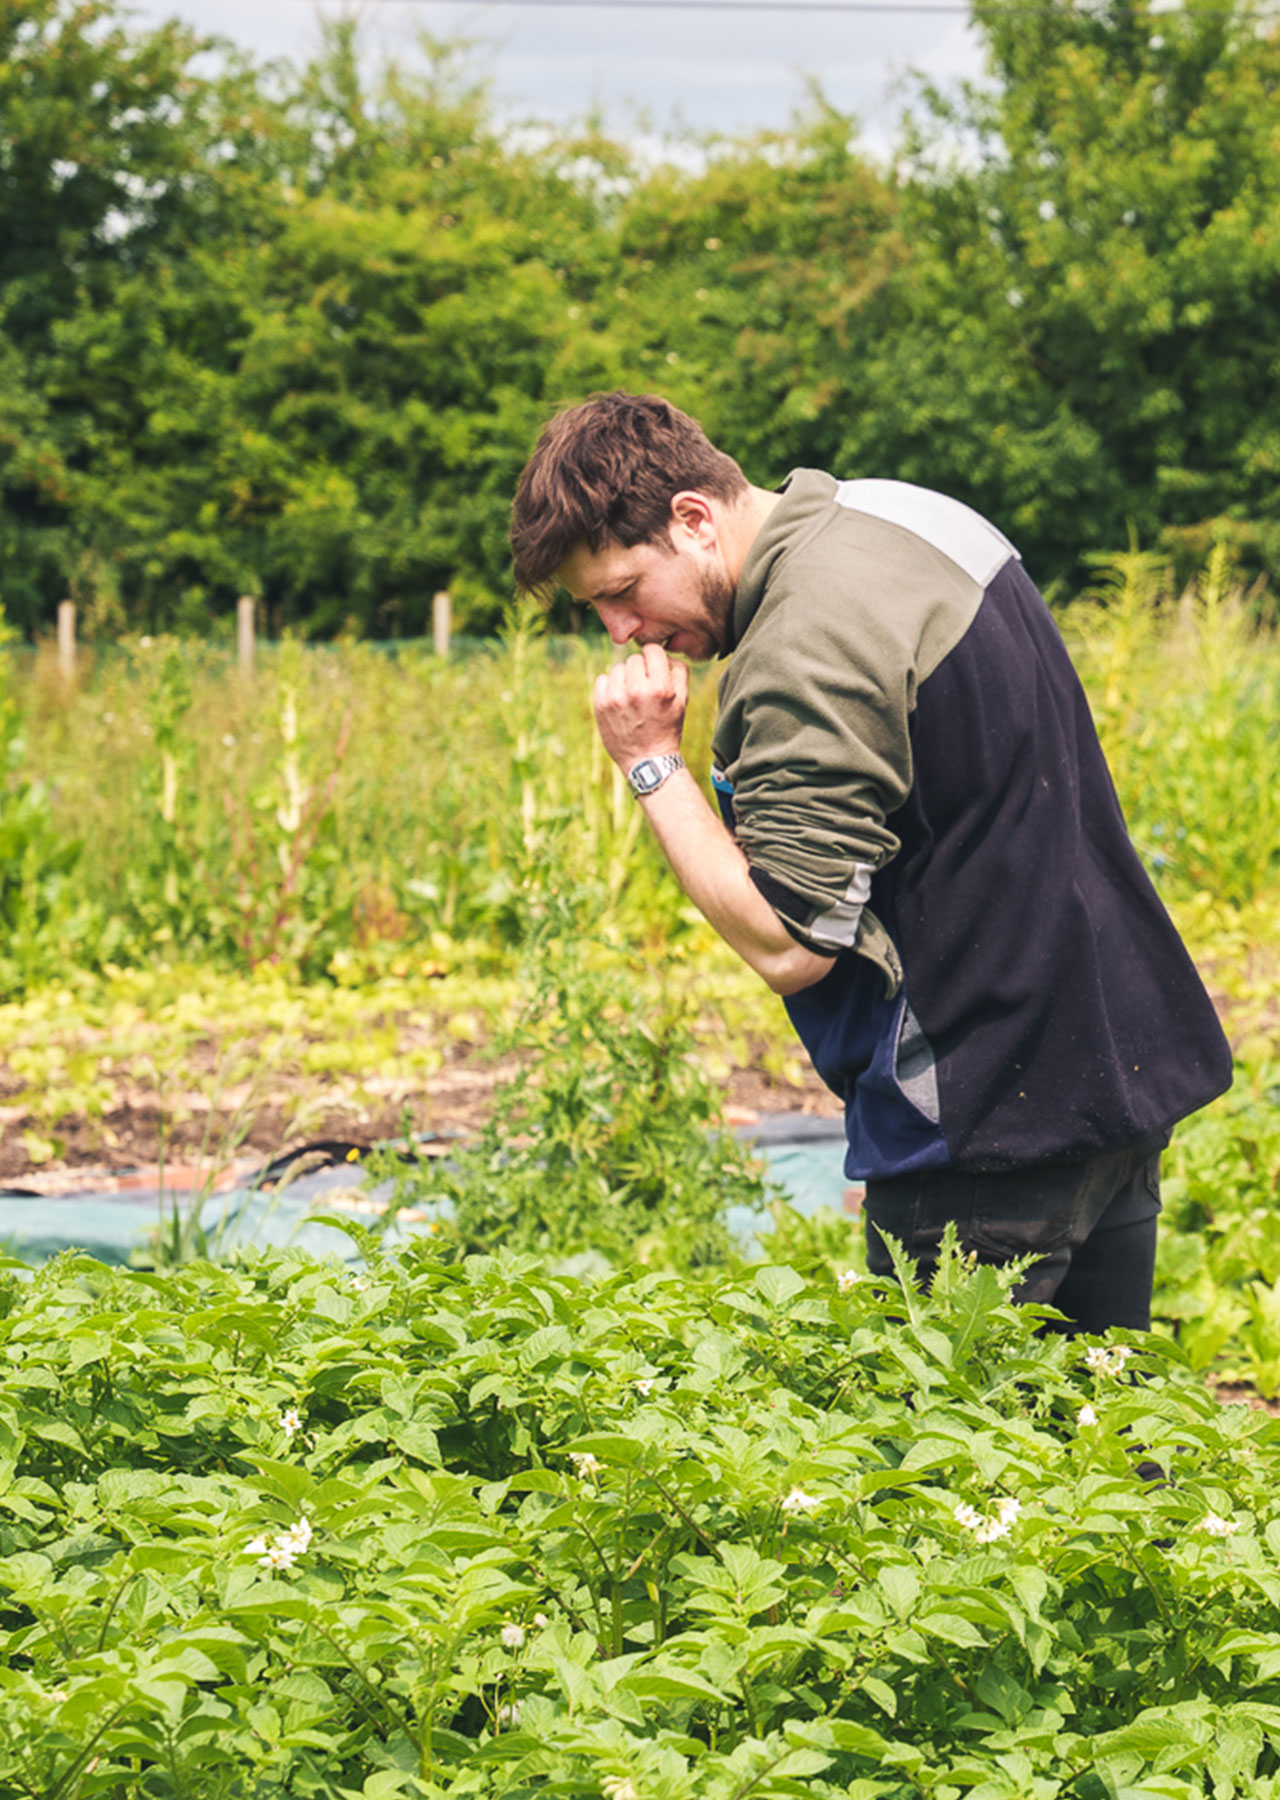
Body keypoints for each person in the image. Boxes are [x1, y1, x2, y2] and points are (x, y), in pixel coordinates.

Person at [509, 390, 1233, 1332]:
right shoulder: (904, 513)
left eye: (619, 592)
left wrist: (651, 764)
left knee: (942, 1463)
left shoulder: (805, 645)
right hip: (1110, 1056)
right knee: (1100, 1442)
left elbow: (789, 942)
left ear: (691, 520)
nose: (620, 631)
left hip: (983, 1120)